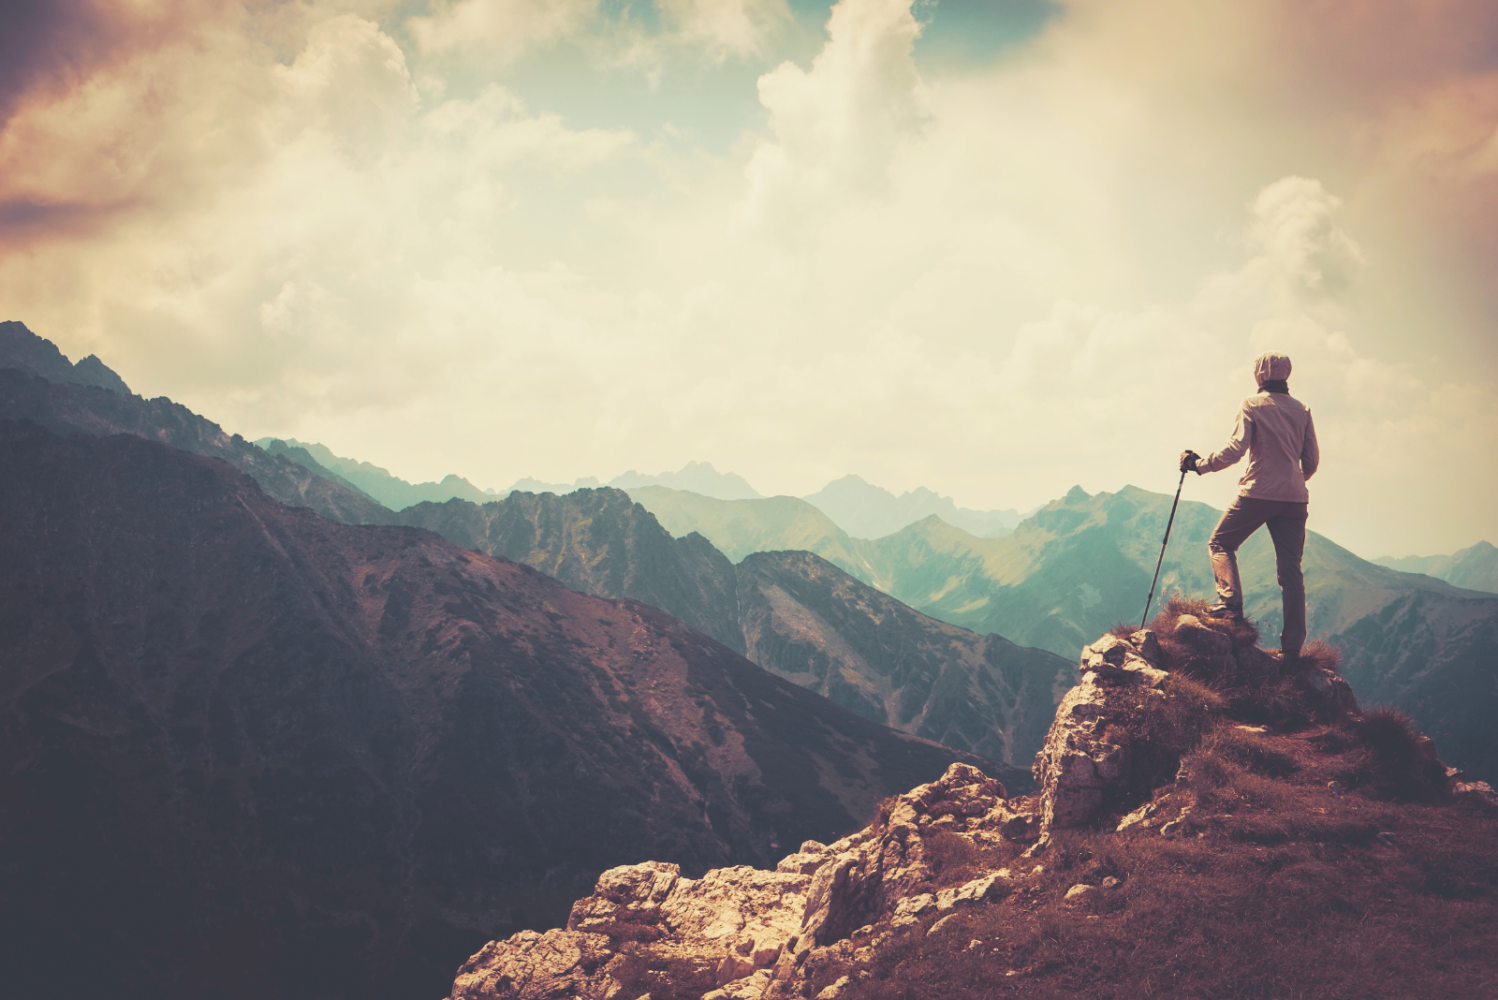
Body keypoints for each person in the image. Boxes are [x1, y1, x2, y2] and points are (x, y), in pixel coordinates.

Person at [1179, 351, 1319, 659]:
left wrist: (1199, 465)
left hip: (1258, 492)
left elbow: (1235, 449)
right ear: (1286, 375)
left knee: (1220, 543)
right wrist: (1292, 480)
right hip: (1295, 498)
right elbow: (1311, 462)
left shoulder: (1251, 405)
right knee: (1290, 572)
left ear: (1259, 376)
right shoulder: (1303, 410)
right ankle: (1293, 648)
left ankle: (1230, 606)